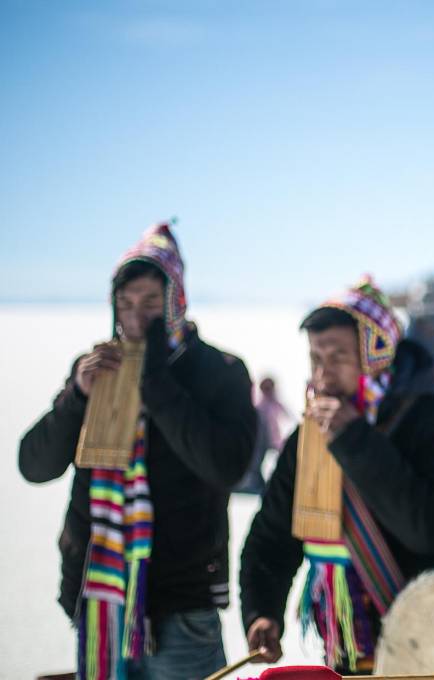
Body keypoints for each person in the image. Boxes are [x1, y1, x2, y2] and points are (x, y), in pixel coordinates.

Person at [18, 223, 258, 679]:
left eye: (151, 304)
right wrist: (78, 397)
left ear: (176, 301)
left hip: (182, 605)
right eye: (125, 304)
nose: (135, 318)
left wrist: (157, 385)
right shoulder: (97, 369)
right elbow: (34, 464)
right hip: (100, 601)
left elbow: (227, 466)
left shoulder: (218, 371)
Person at [239, 278, 434, 672]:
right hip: (350, 645)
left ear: (375, 356)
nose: (323, 376)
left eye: (338, 357)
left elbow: (432, 530)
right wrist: (262, 610)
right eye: (316, 359)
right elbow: (273, 536)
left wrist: (354, 439)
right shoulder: (308, 439)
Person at [235, 377, 293, 495]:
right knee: (258, 461)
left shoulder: (275, 404)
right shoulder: (259, 406)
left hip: (275, 441)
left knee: (277, 464)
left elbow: (289, 418)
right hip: (262, 440)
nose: (268, 391)